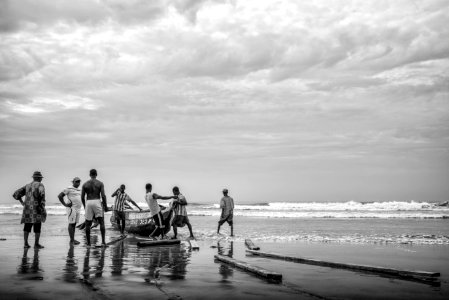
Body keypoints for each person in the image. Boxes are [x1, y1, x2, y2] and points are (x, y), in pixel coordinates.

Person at [12, 171, 47, 249]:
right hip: (37, 208)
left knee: (27, 226)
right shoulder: (40, 185)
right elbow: (42, 194)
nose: (41, 180)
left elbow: (16, 194)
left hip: (27, 210)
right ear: (38, 178)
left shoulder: (27, 186)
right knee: (37, 226)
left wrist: (22, 202)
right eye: (40, 178)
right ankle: (36, 244)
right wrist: (42, 207)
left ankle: (25, 243)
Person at [81, 169, 108, 247]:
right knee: (101, 221)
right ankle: (103, 242)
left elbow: (82, 197)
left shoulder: (85, 184)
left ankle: (88, 243)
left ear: (90, 175)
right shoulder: (100, 183)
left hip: (88, 202)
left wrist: (84, 205)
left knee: (88, 223)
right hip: (97, 201)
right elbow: (103, 196)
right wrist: (105, 206)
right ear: (96, 174)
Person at [58, 177, 83, 245]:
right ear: (73, 182)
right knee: (71, 224)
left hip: (78, 209)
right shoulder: (68, 188)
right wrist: (65, 204)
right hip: (72, 208)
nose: (78, 183)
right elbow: (60, 196)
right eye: (76, 181)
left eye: (79, 181)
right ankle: (71, 240)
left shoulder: (79, 189)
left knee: (74, 224)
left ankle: (73, 239)